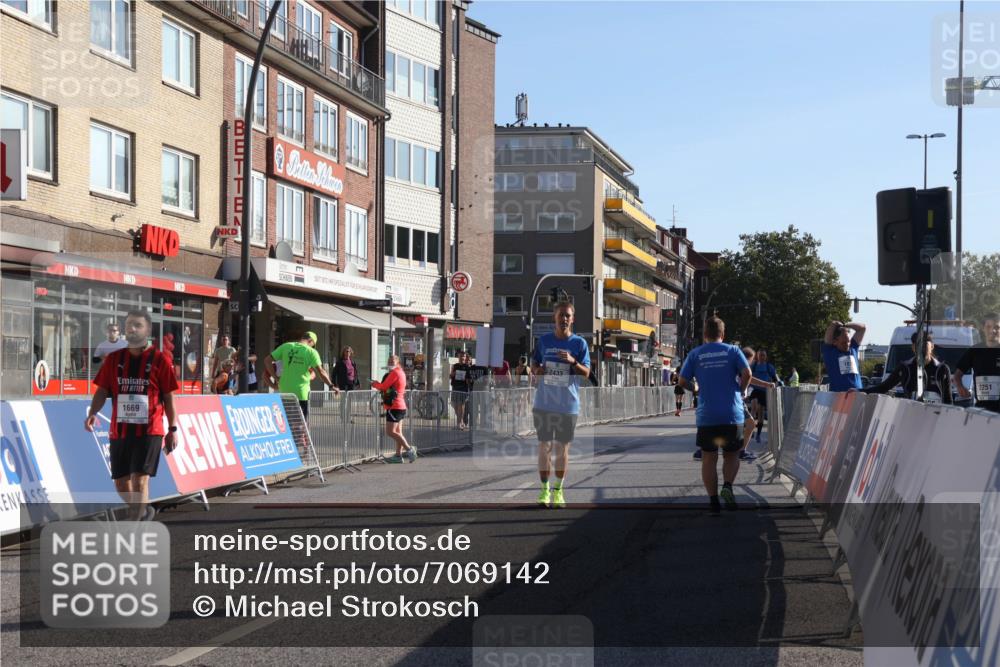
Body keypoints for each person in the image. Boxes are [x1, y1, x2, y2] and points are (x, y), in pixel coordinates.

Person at [84, 309, 178, 521]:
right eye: (129, 326)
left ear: (148, 330)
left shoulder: (160, 360)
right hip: (120, 430)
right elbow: (102, 391)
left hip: (150, 430)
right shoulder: (114, 359)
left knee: (140, 481)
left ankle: (135, 529)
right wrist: (93, 412)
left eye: (137, 325)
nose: (132, 329)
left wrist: (173, 429)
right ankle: (143, 511)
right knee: (121, 483)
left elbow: (170, 397)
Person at [678, 316, 751, 514]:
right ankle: (727, 487)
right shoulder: (733, 351)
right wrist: (742, 390)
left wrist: (696, 389)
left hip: (707, 416)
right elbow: (747, 373)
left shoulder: (696, 354)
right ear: (723, 334)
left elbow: (681, 381)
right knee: (732, 455)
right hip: (731, 414)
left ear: (705, 334)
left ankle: (713, 502)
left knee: (709, 459)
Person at [531, 302, 590, 509]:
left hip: (567, 405)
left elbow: (587, 373)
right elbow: (534, 365)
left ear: (572, 319)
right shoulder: (544, 341)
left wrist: (573, 361)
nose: (564, 319)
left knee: (562, 449)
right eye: (560, 315)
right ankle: (544, 490)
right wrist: (537, 370)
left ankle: (558, 490)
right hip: (544, 402)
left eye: (568, 316)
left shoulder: (580, 343)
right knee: (544, 447)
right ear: (554, 318)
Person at [692, 346, 774, 462]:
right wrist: (766, 384)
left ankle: (704, 450)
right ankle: (741, 451)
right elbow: (749, 378)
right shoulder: (740, 366)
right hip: (736, 400)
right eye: (751, 360)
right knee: (750, 424)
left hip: (723, 399)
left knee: (716, 423)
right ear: (747, 359)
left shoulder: (731, 365)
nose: (751, 363)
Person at [264, 332, 338, 421]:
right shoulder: (311, 352)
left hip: (284, 391)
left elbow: (267, 360)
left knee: (286, 424)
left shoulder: (286, 346)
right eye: (312, 345)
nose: (312, 347)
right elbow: (321, 372)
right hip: (301, 393)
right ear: (310, 341)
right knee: (300, 426)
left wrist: (276, 378)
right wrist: (331, 386)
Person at [862, 332, 953, 404]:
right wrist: (858, 391)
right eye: (918, 345)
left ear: (932, 346)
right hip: (911, 416)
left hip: (936, 417)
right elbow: (883, 387)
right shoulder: (905, 368)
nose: (921, 349)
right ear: (913, 347)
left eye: (925, 345)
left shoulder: (942, 369)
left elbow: (948, 399)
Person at [372, 355, 417, 463]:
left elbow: (383, 386)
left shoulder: (395, 373)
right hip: (400, 406)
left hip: (394, 406)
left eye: (393, 361)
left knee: (390, 432)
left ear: (398, 362)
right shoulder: (401, 372)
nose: (390, 362)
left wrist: (374, 384)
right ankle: (398, 455)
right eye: (389, 361)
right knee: (398, 432)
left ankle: (409, 449)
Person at [954, 313, 1000, 413]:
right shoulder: (974, 351)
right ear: (983, 329)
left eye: (997, 327)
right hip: (981, 410)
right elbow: (957, 376)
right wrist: (960, 387)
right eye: (988, 327)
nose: (993, 330)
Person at [822, 320, 867, 392]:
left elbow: (862, 328)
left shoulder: (853, 348)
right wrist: (834, 324)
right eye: (843, 343)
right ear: (835, 342)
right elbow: (828, 336)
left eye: (848, 341)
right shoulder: (830, 352)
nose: (847, 345)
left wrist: (846, 325)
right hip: (839, 396)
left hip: (857, 394)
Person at [749, 349, 779, 443]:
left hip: (764, 391)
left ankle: (758, 434)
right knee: (754, 407)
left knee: (761, 412)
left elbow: (775, 379)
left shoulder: (769, 367)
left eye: (763, 355)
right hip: (754, 390)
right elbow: (746, 376)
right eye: (760, 355)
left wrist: (774, 386)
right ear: (757, 356)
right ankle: (751, 430)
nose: (762, 357)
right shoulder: (753, 366)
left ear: (766, 357)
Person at [449, 351, 473, 429]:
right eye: (461, 356)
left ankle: (459, 423)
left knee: (461, 405)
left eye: (464, 356)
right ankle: (461, 421)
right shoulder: (455, 366)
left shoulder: (467, 367)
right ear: (458, 357)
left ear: (465, 358)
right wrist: (454, 373)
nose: (462, 357)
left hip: (463, 388)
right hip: (455, 387)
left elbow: (469, 379)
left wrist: (467, 381)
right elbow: (450, 375)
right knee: (455, 405)